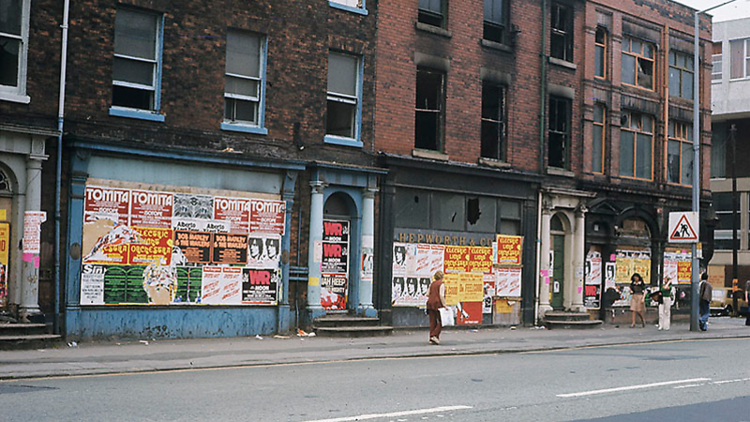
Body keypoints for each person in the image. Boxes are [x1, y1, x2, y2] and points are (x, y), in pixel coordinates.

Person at [426, 270, 447, 345]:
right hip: (437, 304)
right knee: (441, 321)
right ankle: (434, 335)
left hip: (430, 303)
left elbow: (427, 294)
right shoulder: (441, 284)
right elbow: (441, 295)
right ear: (442, 277)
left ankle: (431, 339)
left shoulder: (432, 284)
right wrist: (445, 305)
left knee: (432, 321)